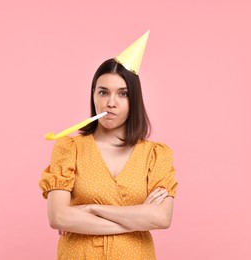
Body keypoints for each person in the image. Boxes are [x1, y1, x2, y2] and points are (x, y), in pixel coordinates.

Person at [39, 31, 178, 259]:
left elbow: (162, 218)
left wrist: (92, 209)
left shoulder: (156, 155)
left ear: (134, 99)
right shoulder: (69, 149)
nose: (111, 103)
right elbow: (59, 218)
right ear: (93, 95)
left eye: (122, 94)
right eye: (103, 92)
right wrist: (136, 219)